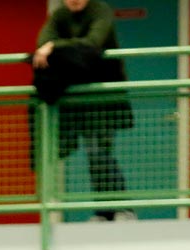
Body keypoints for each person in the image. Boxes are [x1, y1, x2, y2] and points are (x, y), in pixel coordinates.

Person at [31, 0, 135, 222]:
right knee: (93, 154)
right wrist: (54, 46)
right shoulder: (60, 16)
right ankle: (104, 212)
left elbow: (92, 43)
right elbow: (42, 41)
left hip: (105, 98)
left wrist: (54, 46)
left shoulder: (101, 11)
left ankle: (123, 208)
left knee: (100, 152)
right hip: (79, 101)